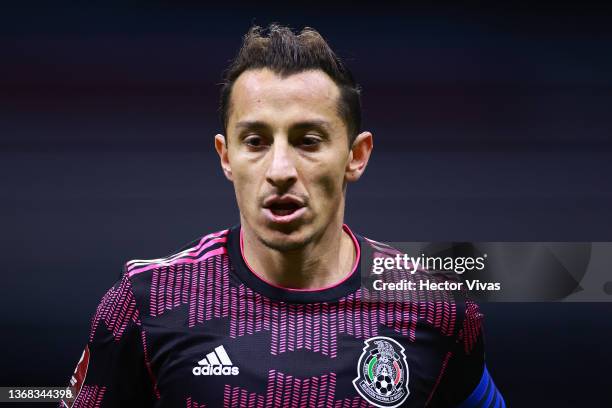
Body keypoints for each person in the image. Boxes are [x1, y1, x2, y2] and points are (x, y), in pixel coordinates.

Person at [61, 24, 504, 408]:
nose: (280, 171)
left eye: (308, 140)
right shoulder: (148, 302)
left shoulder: (434, 308)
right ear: (226, 156)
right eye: (255, 141)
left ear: (356, 155)